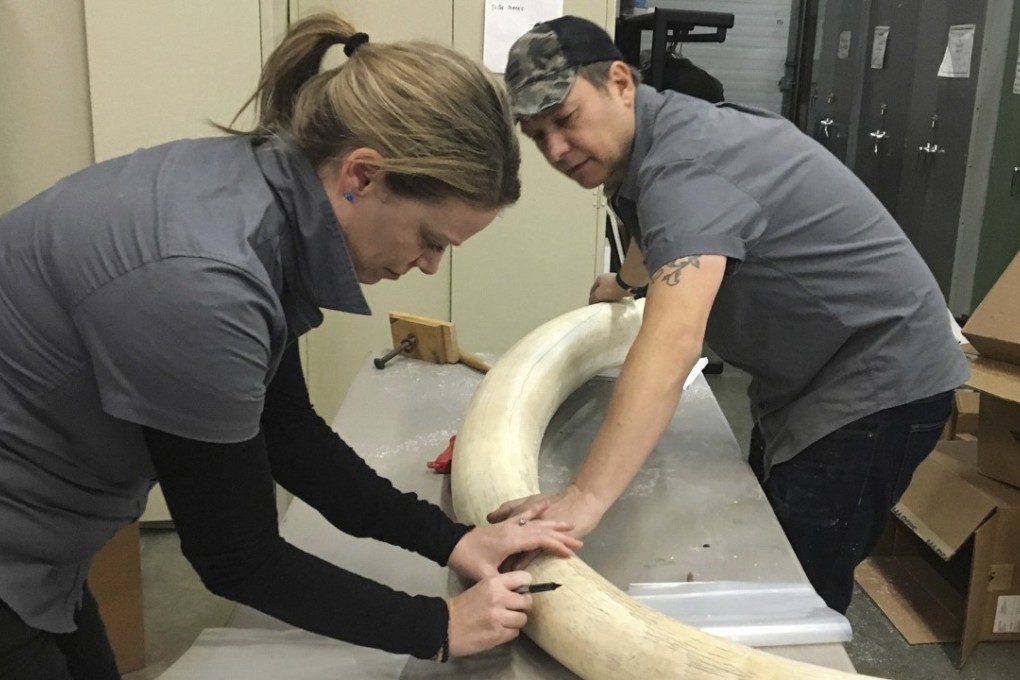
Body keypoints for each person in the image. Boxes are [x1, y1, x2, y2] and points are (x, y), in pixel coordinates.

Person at [0, 13, 583, 680]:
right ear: (362, 175)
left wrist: (452, 541)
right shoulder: (204, 282)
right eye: (432, 238)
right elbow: (236, 557)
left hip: (47, 549)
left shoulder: (258, 202)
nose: (428, 266)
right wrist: (437, 626)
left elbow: (288, 433)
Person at [489, 16, 968, 615]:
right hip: (813, 369)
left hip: (876, 378)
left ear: (619, 82)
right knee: (770, 546)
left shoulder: (685, 166)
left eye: (565, 120)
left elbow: (672, 344)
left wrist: (584, 496)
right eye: (537, 135)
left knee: (798, 593)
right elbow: (661, 229)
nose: (556, 150)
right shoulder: (653, 139)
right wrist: (626, 282)